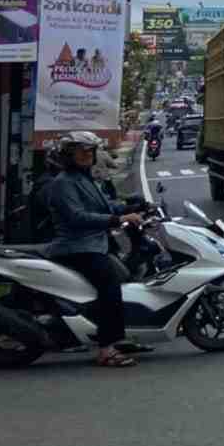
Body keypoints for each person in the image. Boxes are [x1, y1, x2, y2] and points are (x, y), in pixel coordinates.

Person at [43, 132, 147, 368]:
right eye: (81, 151)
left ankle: (117, 338)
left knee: (123, 278)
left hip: (95, 243)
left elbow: (103, 204)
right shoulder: (62, 183)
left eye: (90, 151)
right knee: (110, 285)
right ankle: (106, 349)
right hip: (76, 247)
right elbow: (77, 217)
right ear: (68, 155)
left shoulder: (84, 178)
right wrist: (115, 219)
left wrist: (132, 206)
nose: (87, 155)